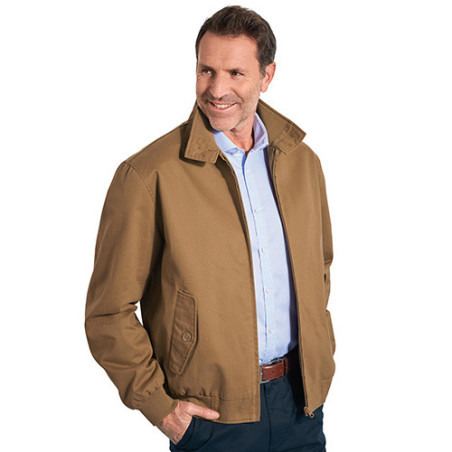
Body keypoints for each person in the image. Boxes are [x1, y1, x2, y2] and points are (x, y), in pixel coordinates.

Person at [85, 5, 336, 451]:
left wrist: (319, 361)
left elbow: (319, 269)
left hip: (301, 406)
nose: (217, 90)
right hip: (211, 420)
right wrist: (161, 407)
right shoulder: (148, 176)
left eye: (236, 73)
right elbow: (109, 313)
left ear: (267, 75)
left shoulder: (302, 163)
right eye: (206, 71)